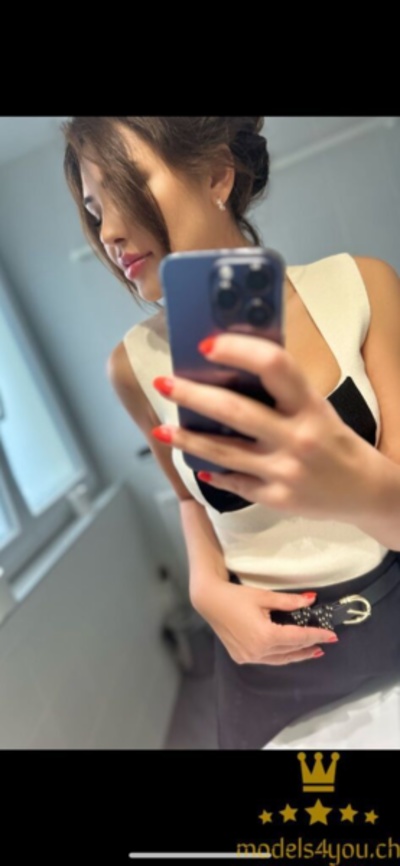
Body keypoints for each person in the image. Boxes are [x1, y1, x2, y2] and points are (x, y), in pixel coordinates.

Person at [62, 116, 400, 750]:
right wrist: (204, 587)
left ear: (218, 175)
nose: (107, 233)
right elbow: (190, 498)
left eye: (127, 188)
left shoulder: (360, 287)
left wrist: (345, 482)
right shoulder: (131, 366)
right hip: (263, 668)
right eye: (93, 210)